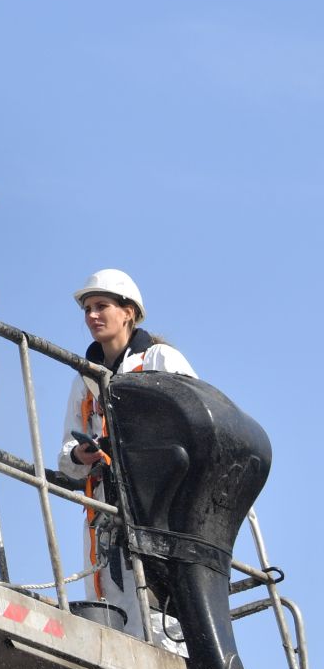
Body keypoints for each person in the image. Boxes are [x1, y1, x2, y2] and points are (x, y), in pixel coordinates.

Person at [57, 268, 195, 645]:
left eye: (101, 306)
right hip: (106, 512)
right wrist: (83, 454)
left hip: (158, 507)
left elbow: (198, 425)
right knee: (113, 608)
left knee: (159, 605)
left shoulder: (160, 360)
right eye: (87, 309)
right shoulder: (83, 380)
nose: (92, 316)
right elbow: (64, 458)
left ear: (128, 312)